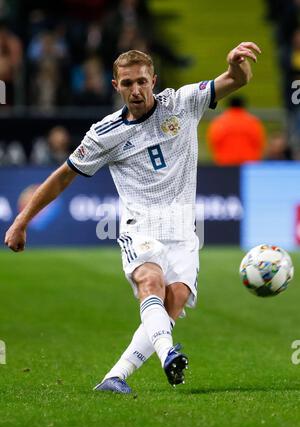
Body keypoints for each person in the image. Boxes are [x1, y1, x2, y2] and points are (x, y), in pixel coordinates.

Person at [5, 43, 261, 394]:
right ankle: (169, 352)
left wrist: (235, 65)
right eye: (127, 84)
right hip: (139, 227)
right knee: (150, 283)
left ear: (153, 80)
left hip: (183, 230)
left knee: (175, 300)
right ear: (116, 86)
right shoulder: (104, 133)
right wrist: (22, 220)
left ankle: (115, 378)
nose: (136, 90)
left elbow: (237, 80)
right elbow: (64, 175)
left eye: (141, 81)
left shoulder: (182, 102)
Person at [207, 96, 266, 165]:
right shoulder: (253, 122)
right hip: (248, 163)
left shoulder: (219, 122)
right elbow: (259, 141)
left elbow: (214, 141)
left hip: (225, 163)